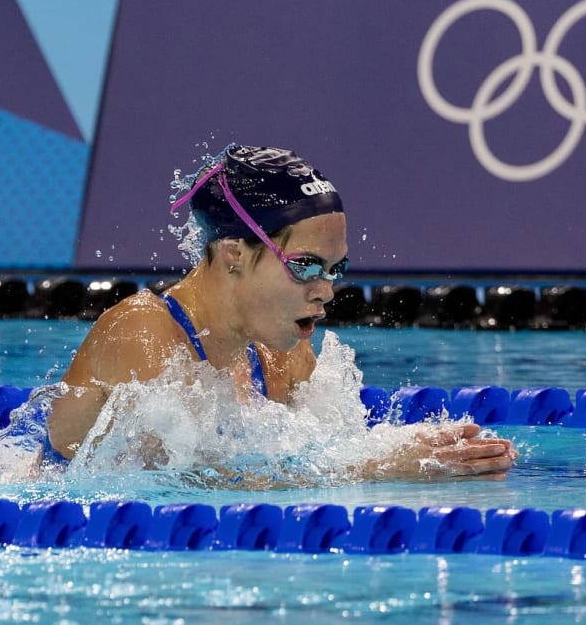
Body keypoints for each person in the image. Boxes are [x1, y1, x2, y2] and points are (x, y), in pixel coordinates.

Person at [46, 144, 514, 480]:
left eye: (336, 269)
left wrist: (414, 451)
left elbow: (323, 452)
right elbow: (188, 476)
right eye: (306, 266)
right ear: (233, 253)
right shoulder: (144, 332)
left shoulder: (279, 351)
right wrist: (383, 468)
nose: (326, 291)